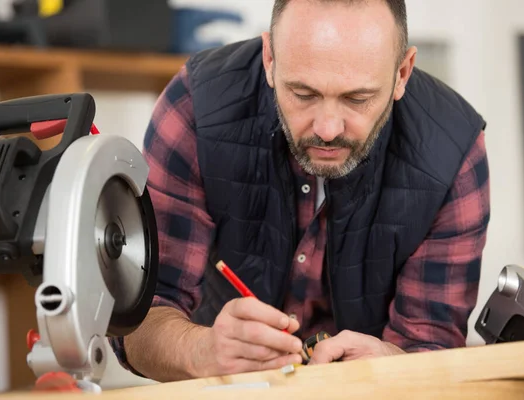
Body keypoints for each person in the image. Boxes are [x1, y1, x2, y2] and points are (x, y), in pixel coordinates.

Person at [109, 0, 490, 382]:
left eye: (357, 99)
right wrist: (201, 351)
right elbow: (139, 319)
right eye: (303, 94)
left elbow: (432, 346)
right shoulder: (197, 108)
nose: (326, 128)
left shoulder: (452, 154)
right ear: (270, 59)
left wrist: (394, 363)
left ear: (402, 73)